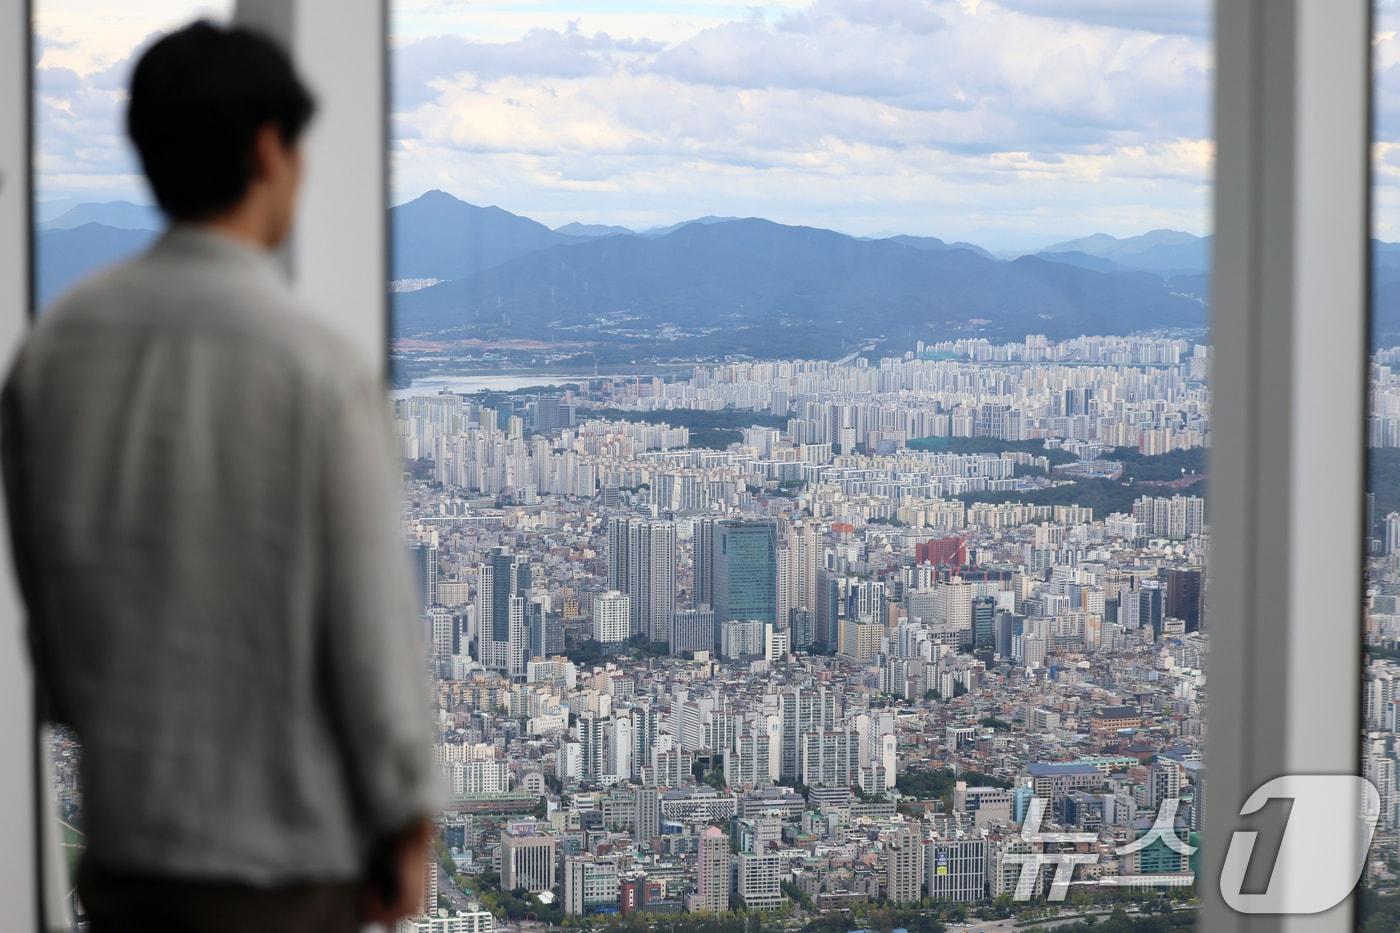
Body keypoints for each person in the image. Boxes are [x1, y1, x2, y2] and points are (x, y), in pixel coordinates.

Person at [2, 20, 441, 932]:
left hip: (127, 853)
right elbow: (371, 633)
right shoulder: (315, 368)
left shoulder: (51, 354)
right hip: (286, 871)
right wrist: (407, 820)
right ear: (267, 152)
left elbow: (51, 629)